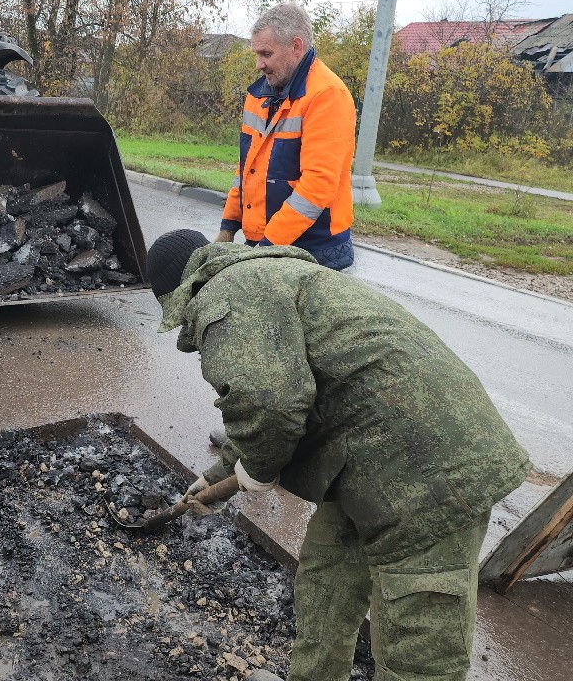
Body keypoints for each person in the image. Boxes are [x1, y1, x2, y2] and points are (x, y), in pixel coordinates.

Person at [146, 229, 530, 681]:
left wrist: (259, 470)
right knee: (325, 582)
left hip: (432, 470)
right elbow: (277, 391)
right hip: (366, 456)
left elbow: (268, 401)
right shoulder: (265, 277)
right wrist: (221, 473)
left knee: (417, 641)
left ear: (179, 292)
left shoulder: (227, 295)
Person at [216, 2, 356, 271]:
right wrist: (229, 225)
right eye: (256, 54)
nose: (259, 64)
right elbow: (247, 169)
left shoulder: (326, 95)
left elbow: (317, 184)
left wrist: (267, 247)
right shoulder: (260, 94)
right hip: (263, 244)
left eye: (266, 54)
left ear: (296, 47)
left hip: (313, 251)